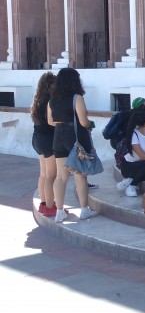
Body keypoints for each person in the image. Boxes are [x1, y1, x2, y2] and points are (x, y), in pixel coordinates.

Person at [47, 68, 98, 222]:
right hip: (75, 138)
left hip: (58, 136)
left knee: (61, 177)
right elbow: (83, 122)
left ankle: (60, 211)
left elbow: (50, 121)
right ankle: (84, 209)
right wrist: (91, 124)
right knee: (80, 175)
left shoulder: (52, 100)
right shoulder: (77, 98)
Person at [116, 108, 145, 210]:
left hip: (143, 165)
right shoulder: (134, 135)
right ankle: (132, 185)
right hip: (129, 166)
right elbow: (143, 156)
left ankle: (131, 180)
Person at [31, 71, 57, 217]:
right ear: (49, 85)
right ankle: (50, 206)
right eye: (54, 83)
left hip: (37, 139)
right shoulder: (49, 100)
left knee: (43, 174)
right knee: (51, 175)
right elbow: (51, 122)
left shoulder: (38, 100)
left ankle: (43, 204)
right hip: (48, 140)